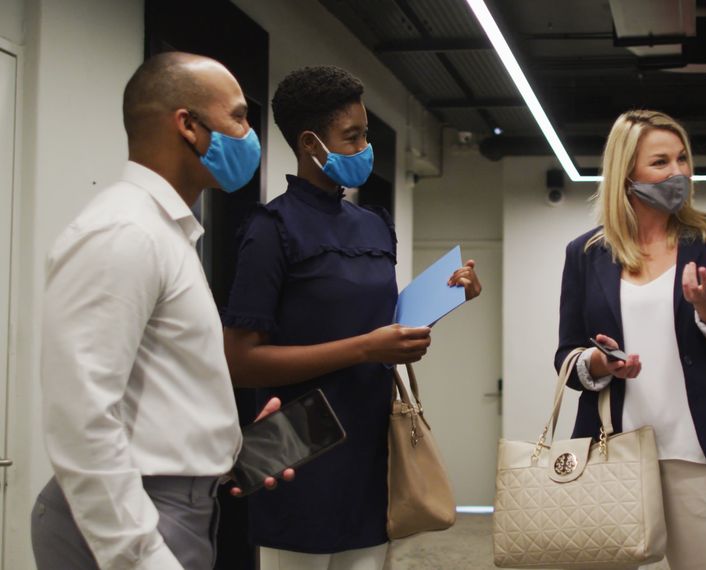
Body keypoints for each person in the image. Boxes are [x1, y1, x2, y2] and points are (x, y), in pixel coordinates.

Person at [31, 51, 292, 570]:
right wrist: (140, 554)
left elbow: (159, 390)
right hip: (137, 519)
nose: (249, 133)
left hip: (176, 505)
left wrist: (227, 440)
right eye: (238, 116)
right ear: (189, 127)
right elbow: (81, 416)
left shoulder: (164, 231)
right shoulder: (125, 233)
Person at [220, 65, 481, 570]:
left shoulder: (375, 226)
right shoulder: (270, 229)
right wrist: (367, 348)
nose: (366, 148)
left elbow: (381, 321)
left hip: (370, 439)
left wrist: (445, 299)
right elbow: (241, 360)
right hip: (293, 445)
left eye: (366, 135)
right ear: (310, 142)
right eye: (353, 136)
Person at [555, 109, 706, 570]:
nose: (678, 173)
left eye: (683, 159)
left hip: (702, 456)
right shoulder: (586, 254)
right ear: (625, 172)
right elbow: (566, 358)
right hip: (614, 453)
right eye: (660, 162)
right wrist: (598, 362)